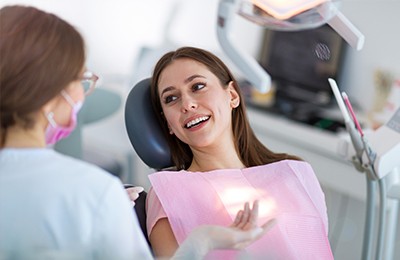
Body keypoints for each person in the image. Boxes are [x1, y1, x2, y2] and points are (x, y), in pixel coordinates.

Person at [0, 5, 275, 260]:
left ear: (233, 95)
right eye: (79, 80)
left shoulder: (92, 193)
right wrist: (199, 242)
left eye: (198, 87)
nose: (82, 94)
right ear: (49, 94)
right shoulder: (92, 192)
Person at [147, 46, 334, 259]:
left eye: (198, 86)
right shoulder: (168, 194)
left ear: (233, 95)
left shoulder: (295, 174)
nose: (187, 104)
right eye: (171, 98)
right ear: (168, 124)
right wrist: (203, 240)